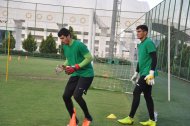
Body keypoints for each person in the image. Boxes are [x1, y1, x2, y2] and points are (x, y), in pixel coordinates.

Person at [117, 25, 157, 126]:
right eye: (137, 31)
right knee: (147, 96)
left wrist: (151, 73)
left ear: (145, 32)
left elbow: (154, 58)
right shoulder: (141, 44)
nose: (137, 33)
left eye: (139, 31)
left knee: (136, 92)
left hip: (148, 74)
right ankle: (152, 120)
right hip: (143, 72)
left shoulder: (149, 43)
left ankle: (130, 118)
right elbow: (141, 60)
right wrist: (136, 72)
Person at [55, 28, 94, 126]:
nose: (62, 40)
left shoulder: (79, 45)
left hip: (86, 74)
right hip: (76, 73)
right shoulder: (65, 46)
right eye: (60, 39)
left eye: (63, 38)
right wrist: (63, 66)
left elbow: (89, 58)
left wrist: (76, 67)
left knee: (77, 96)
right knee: (66, 96)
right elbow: (69, 59)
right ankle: (74, 120)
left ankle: (88, 116)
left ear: (68, 35)